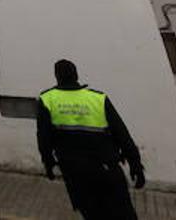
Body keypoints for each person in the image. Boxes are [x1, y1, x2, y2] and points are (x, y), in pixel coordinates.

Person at [37, 59, 144, 220]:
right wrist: (136, 165)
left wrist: (49, 163)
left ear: (56, 76)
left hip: (76, 174)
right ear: (77, 75)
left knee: (92, 214)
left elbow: (43, 137)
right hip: (107, 168)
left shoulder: (47, 99)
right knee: (124, 214)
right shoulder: (98, 99)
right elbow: (122, 134)